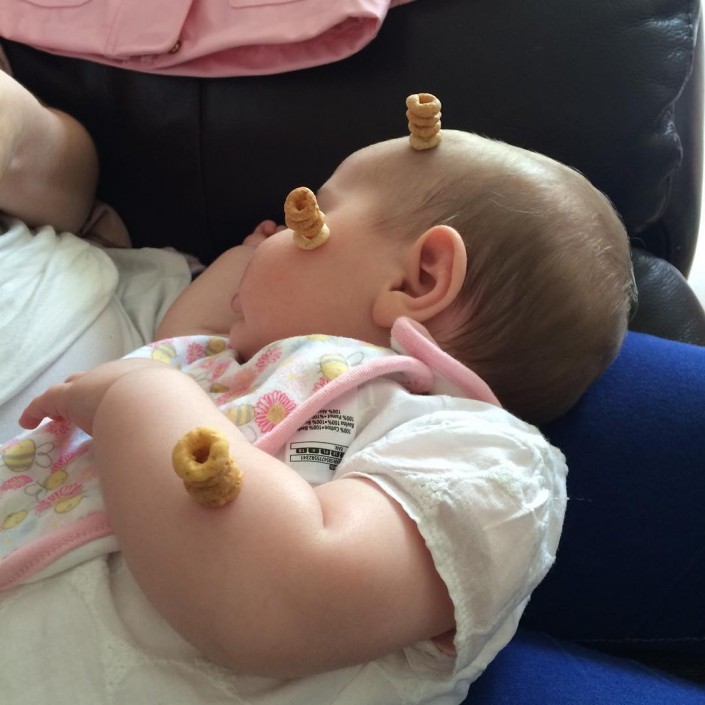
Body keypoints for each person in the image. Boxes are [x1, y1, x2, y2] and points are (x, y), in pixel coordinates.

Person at [0, 91, 637, 702]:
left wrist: (142, 397)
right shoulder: (238, 374)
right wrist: (243, 271)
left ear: (419, 279)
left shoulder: (484, 458)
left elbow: (274, 599)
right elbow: (183, 345)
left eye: (303, 218)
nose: (272, 235)